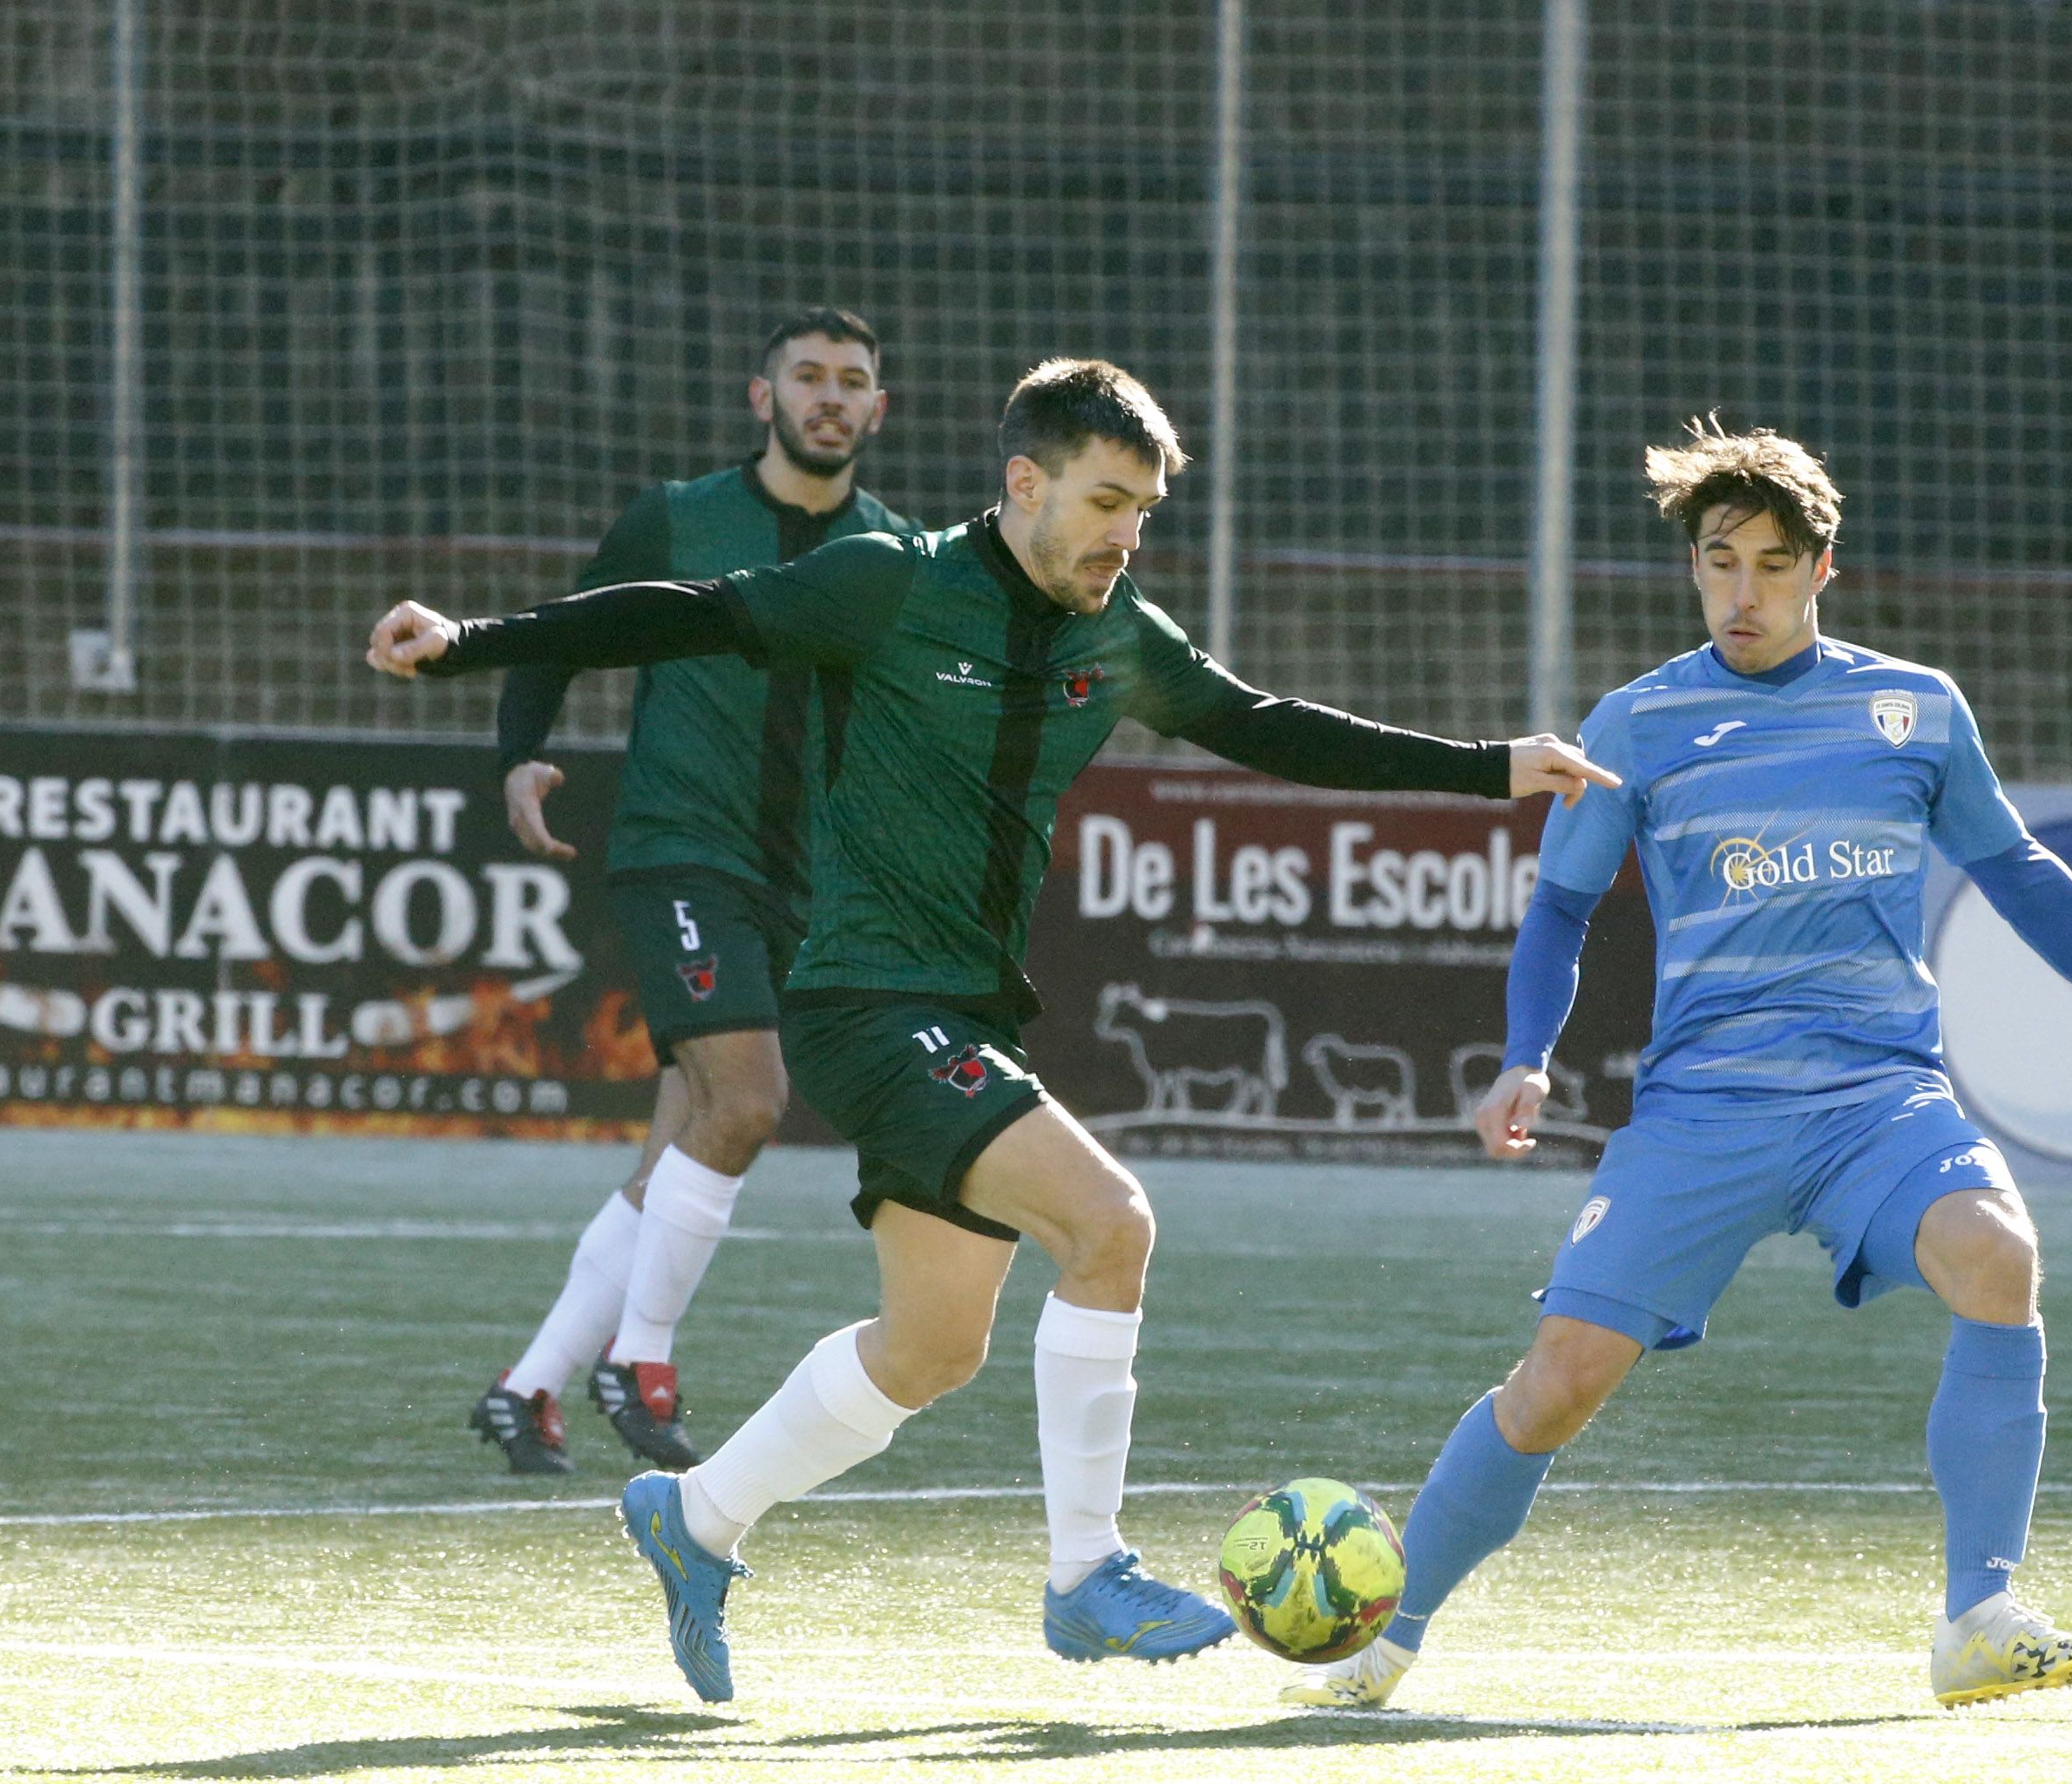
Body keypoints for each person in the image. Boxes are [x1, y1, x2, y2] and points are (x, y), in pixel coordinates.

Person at [371, 357, 1612, 1702]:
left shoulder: (1118, 633)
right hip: (863, 1002)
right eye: (1105, 502)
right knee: (1112, 1225)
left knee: (930, 1348)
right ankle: (1087, 1577)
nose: (1126, 536)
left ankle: (697, 1514)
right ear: (1024, 484)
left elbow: (1264, 727)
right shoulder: (889, 581)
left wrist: (1485, 767)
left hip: (961, 1011)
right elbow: (690, 611)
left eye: (1143, 511)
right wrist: (472, 643)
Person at [1290, 421, 2072, 1718]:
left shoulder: (1915, 709)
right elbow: (1561, 909)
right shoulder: (1638, 723)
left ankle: (1980, 1617)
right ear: (1693, 567)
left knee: (1998, 1255)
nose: (1743, 592)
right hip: (1704, 1111)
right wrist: (1525, 1059)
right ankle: (1385, 1644)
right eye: (1720, 563)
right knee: (1558, 1384)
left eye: (1773, 566)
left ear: (1822, 569)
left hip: (1876, 1101)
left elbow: (2015, 870)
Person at [468, 305, 911, 1476]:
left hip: (797, 882)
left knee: (682, 1147)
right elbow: (560, 633)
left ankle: (526, 1388)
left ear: (878, 410)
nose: (828, 396)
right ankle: (641, 1357)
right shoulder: (675, 518)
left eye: (850, 381)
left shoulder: (894, 555)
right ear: (762, 398)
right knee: (750, 1102)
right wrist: (520, 754)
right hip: (681, 849)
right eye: (806, 376)